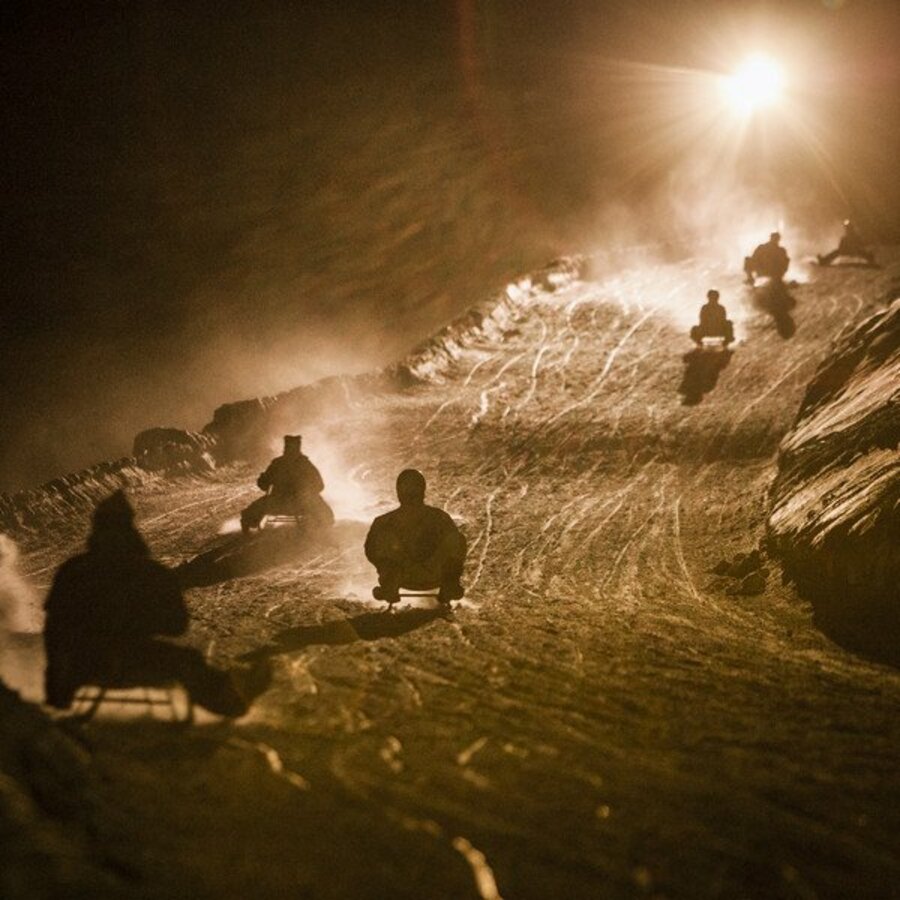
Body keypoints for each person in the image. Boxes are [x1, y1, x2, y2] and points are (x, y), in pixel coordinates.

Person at [44, 491, 270, 715]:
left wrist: (57, 681)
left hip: (82, 664)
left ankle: (228, 692)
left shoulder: (73, 570)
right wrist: (141, 622)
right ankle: (227, 701)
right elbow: (176, 625)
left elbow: (54, 627)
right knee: (187, 660)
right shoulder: (148, 572)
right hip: (128, 662)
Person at [364, 469, 467, 605]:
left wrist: (386, 566)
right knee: (456, 538)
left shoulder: (384, 521)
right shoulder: (439, 517)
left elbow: (371, 552)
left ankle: (389, 585)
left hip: (405, 575)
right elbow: (459, 549)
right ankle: (450, 585)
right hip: (432, 573)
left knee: (455, 538)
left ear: (399, 493)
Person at [241, 434, 334, 534]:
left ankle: (248, 527)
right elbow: (320, 485)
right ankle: (322, 531)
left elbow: (263, 484)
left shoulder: (277, 464)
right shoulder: (306, 465)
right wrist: (309, 493)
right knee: (327, 516)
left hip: (277, 502)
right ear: (299, 448)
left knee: (250, 513)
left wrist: (263, 479)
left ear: (285, 448)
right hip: (302, 503)